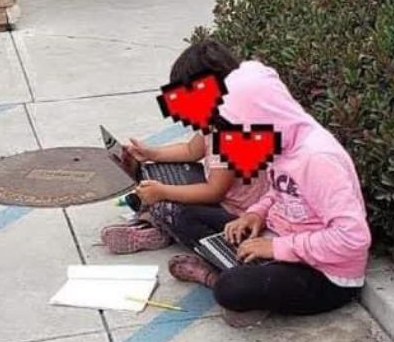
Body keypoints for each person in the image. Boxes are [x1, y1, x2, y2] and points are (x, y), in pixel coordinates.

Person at [165, 60, 372, 328]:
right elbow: (280, 191)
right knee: (183, 213)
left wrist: (277, 247)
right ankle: (244, 272)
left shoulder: (318, 158)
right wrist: (255, 214)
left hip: (324, 274)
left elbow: (353, 238)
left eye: (236, 128)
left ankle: (220, 278)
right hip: (278, 238)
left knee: (231, 289)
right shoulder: (280, 139)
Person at [99, 39, 268, 254]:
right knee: (153, 171)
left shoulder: (232, 134)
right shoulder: (216, 119)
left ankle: (158, 228)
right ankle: (155, 221)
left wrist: (164, 192)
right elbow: (191, 150)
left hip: (238, 214)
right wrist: (151, 153)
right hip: (220, 192)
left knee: (177, 212)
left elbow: (214, 192)